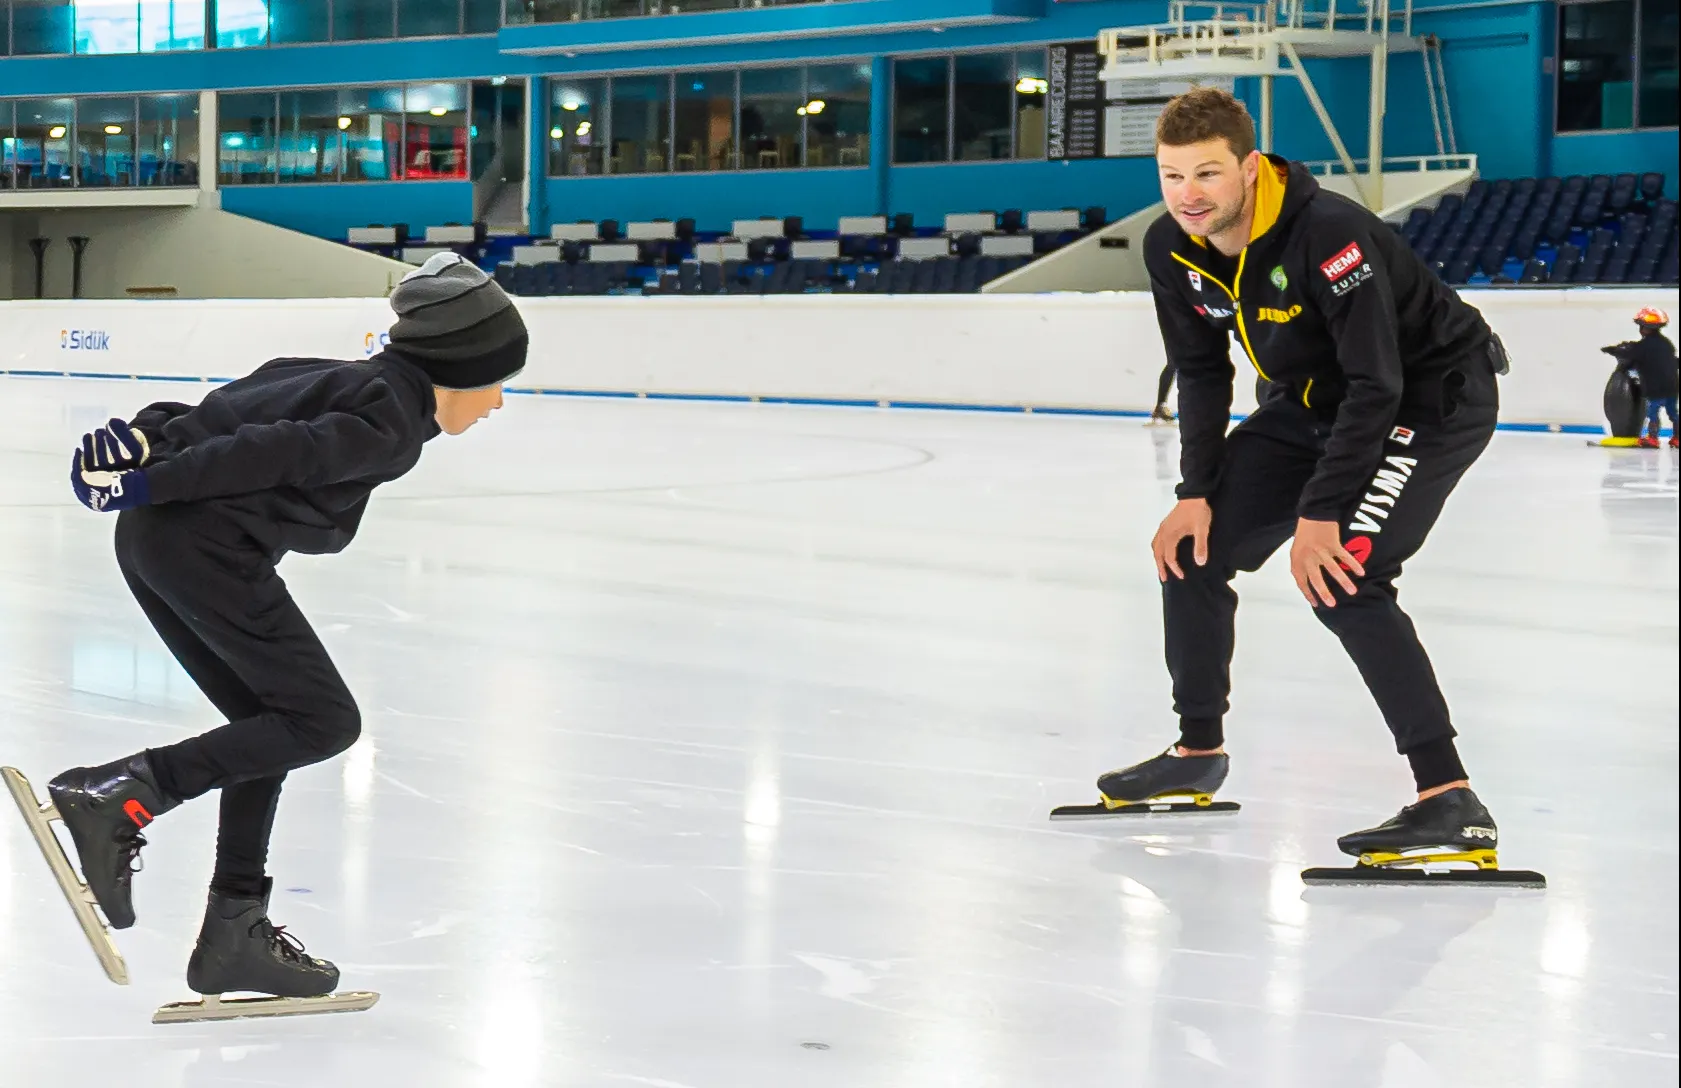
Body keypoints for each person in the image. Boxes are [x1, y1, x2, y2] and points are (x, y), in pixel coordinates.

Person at [39, 252, 527, 1001]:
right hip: (202, 548)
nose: (495, 403)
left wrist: (143, 443)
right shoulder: (391, 423)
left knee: (267, 724)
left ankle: (234, 927)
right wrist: (150, 475)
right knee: (323, 719)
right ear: (459, 365)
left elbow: (230, 408)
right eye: (495, 381)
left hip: (156, 540)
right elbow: (268, 450)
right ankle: (122, 795)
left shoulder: (342, 376)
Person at [1095, 88, 1512, 869]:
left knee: (1345, 573)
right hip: (1312, 400)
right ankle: (1196, 752)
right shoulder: (1170, 248)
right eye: (1170, 175)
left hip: (1429, 397)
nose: (1188, 195)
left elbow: (1377, 383)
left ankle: (1447, 796)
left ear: (1249, 169)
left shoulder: (1328, 234)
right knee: (1191, 549)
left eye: (1208, 174)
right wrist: (1194, 493)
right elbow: (1198, 369)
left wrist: (1321, 513)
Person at [1602, 307, 1678, 449]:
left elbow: (1631, 354)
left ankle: (1653, 438)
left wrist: (1612, 350)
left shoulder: (1644, 345)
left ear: (1644, 328)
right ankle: (1677, 438)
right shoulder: (1667, 344)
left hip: (1656, 388)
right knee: (1673, 413)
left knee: (1653, 413)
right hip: (1672, 386)